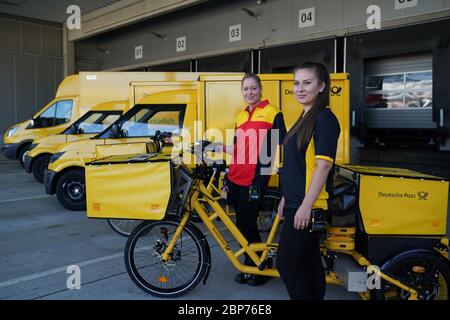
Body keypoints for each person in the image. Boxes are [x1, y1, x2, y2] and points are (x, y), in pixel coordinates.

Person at [276, 62, 340, 300]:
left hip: (308, 206)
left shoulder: (324, 119)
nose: (300, 88)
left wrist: (305, 205)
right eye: (296, 83)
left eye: (307, 82)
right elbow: (300, 164)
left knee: (287, 265)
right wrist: (285, 195)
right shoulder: (304, 116)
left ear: (322, 86)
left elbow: (323, 166)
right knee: (310, 262)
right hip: (295, 201)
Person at [223, 73, 287, 286]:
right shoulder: (240, 116)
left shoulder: (272, 112)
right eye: (246, 89)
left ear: (260, 90)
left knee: (248, 222)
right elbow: (237, 148)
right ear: (242, 92)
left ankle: (261, 265)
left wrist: (285, 170)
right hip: (236, 174)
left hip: (256, 176)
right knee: (241, 223)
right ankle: (250, 264)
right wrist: (216, 148)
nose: (249, 93)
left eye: (253, 88)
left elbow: (284, 144)